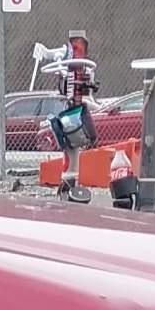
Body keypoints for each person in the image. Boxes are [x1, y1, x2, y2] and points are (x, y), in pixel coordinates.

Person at [35, 32, 100, 198]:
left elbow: (86, 93)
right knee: (69, 145)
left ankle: (70, 182)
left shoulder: (81, 69)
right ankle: (68, 182)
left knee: (73, 144)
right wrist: (47, 53)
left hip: (75, 110)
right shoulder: (69, 63)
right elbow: (57, 56)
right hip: (71, 109)